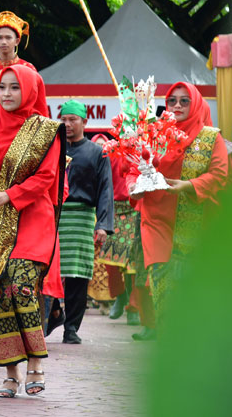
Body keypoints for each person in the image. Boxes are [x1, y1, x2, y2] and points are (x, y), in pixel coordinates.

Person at [0, 65, 64, 398]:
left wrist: (10, 195)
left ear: (30, 92)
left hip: (32, 216)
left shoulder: (46, 130)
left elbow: (47, 177)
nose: (6, 94)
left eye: (14, 88)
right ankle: (10, 370)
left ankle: (35, 361)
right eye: (1, 87)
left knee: (21, 283)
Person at [138, 82, 228, 324]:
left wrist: (187, 186)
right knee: (162, 281)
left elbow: (220, 175)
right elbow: (133, 166)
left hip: (194, 224)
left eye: (184, 101)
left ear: (195, 103)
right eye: (172, 101)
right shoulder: (154, 133)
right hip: (156, 220)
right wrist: (133, 188)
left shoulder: (210, 137)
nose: (177, 105)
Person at [48, 100, 114, 344]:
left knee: (77, 275)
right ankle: (55, 312)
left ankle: (71, 327)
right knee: (48, 269)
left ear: (84, 122)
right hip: (54, 216)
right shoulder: (52, 148)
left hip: (83, 217)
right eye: (63, 119)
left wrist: (103, 224)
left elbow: (105, 188)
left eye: (72, 119)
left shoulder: (97, 153)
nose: (67, 124)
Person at [92, 133, 141, 325]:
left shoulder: (143, 149)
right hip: (114, 210)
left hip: (136, 210)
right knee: (112, 263)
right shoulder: (112, 151)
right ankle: (120, 296)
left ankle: (134, 308)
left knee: (134, 265)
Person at [0, 11, 38, 81]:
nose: (4, 42)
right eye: (0, 38)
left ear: (17, 41)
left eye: (8, 37)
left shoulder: (28, 69)